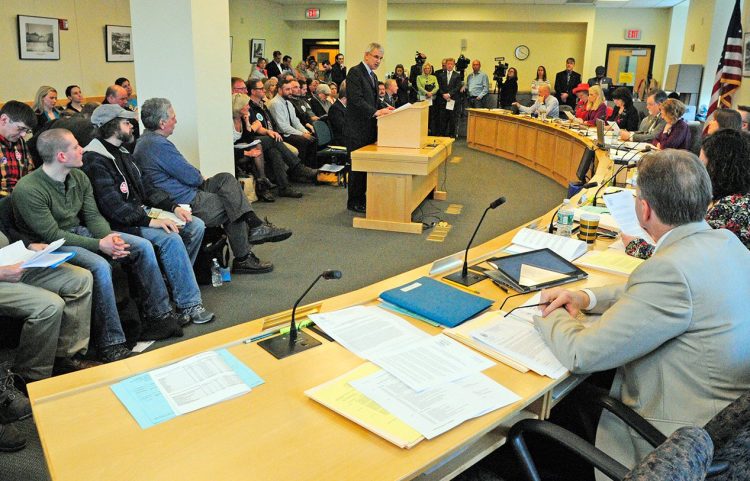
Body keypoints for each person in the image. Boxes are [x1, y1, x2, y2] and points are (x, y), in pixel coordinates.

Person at [535, 149, 750, 474]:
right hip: (716, 432)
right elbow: (650, 291)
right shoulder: (725, 242)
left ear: (644, 210)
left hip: (667, 448)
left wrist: (548, 312)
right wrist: (585, 298)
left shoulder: (672, 270)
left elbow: (581, 354)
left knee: (534, 427)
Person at [12, 129, 186, 362]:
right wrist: (99, 245)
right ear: (61, 156)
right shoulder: (28, 189)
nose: (82, 149)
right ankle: (111, 342)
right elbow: (52, 233)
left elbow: (92, 217)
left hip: (80, 234)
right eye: (75, 146)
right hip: (48, 246)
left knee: (141, 246)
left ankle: (159, 316)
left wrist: (109, 238)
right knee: (100, 265)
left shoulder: (79, 177)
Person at [82, 104, 214, 325]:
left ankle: (175, 284)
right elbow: (113, 208)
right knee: (170, 238)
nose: (132, 126)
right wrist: (152, 221)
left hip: (141, 213)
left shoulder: (124, 153)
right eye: (126, 123)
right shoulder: (94, 159)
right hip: (119, 224)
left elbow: (147, 188)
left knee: (195, 225)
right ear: (112, 127)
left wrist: (173, 208)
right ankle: (189, 304)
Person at [133, 98, 291, 274]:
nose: (176, 121)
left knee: (226, 179)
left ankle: (255, 226)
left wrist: (197, 176)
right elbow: (191, 176)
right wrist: (198, 175)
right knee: (233, 204)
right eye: (173, 117)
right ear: (162, 123)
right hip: (183, 200)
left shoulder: (148, 140)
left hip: (185, 189)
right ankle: (244, 255)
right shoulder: (157, 144)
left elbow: (186, 173)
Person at [0, 199, 96, 381]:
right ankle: (31, 377)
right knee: (49, 305)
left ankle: (65, 358)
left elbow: (5, 229)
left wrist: (28, 245)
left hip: (10, 262)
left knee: (80, 279)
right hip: (2, 273)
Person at [624, 129, 750, 258]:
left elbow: (687, 256)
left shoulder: (731, 208)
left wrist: (635, 245)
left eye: (702, 164)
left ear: (719, 168)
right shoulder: (741, 200)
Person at [344, 42, 394, 213]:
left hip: (369, 129)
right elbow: (356, 100)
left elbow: (373, 100)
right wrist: (375, 112)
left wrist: (384, 107)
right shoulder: (355, 73)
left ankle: (363, 197)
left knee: (367, 167)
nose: (378, 61)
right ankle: (354, 201)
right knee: (357, 168)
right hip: (357, 129)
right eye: (375, 57)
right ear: (366, 55)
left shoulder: (372, 76)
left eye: (380, 58)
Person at [245, 80, 317, 193]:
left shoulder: (262, 105)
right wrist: (269, 132)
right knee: (275, 140)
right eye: (261, 88)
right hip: (255, 140)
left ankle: (284, 188)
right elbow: (255, 128)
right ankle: (298, 168)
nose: (264, 90)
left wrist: (304, 131)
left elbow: (292, 121)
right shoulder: (249, 107)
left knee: (275, 152)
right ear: (253, 91)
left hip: (268, 137)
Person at [267, 78, 319, 168]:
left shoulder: (288, 103)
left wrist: (304, 131)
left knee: (313, 139)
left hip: (290, 132)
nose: (290, 92)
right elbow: (282, 126)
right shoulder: (275, 103)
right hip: (281, 135)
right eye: (287, 89)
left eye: (290, 89)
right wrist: (302, 134)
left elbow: (295, 121)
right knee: (304, 141)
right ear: (279, 90)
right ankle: (298, 171)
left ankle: (310, 168)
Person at [0, 101, 37, 197]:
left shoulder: (19, 141)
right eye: (20, 128)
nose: (23, 134)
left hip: (20, 196)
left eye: (27, 130)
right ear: (4, 120)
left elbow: (30, 171)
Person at [436, 57, 461, 137]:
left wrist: (449, 94)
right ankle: (442, 136)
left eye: (451, 64)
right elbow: (438, 86)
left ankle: (451, 136)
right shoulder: (440, 75)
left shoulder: (457, 75)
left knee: (452, 119)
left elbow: (457, 87)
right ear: (445, 65)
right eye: (448, 64)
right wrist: (443, 94)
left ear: (454, 65)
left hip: (452, 100)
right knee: (443, 119)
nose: (450, 65)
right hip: (443, 99)